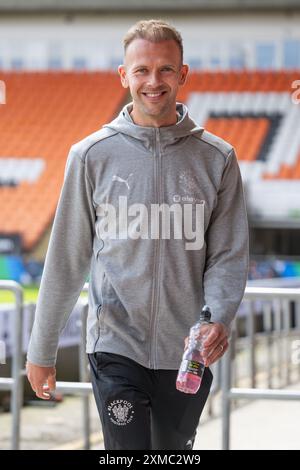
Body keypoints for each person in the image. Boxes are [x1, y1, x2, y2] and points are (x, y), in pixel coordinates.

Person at [26, 19, 249, 450]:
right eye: (142, 70)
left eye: (166, 69)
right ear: (123, 75)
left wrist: (217, 317)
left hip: (188, 352)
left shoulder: (218, 159)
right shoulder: (90, 155)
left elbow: (228, 255)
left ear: (183, 75)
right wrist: (42, 350)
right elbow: (67, 259)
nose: (154, 81)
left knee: (173, 452)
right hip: (115, 346)